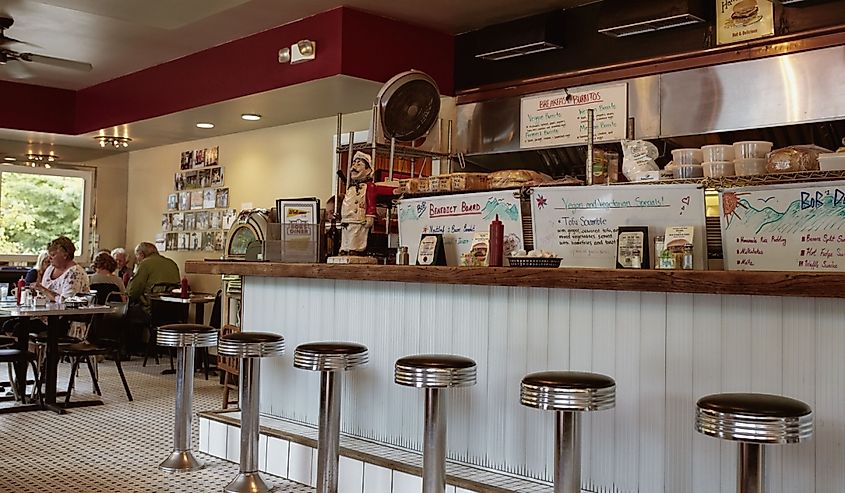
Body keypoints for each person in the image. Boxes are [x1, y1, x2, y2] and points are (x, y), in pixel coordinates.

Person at [32, 236, 90, 302]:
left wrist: (43, 289)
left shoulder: (75, 273)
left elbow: (66, 301)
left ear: (65, 255)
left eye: (53, 255)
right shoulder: (50, 269)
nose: (49, 258)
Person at [126, 242, 180, 313]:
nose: (137, 260)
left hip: (149, 308)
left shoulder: (145, 264)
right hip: (172, 308)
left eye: (137, 256)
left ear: (141, 254)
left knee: (123, 313)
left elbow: (133, 291)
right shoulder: (172, 263)